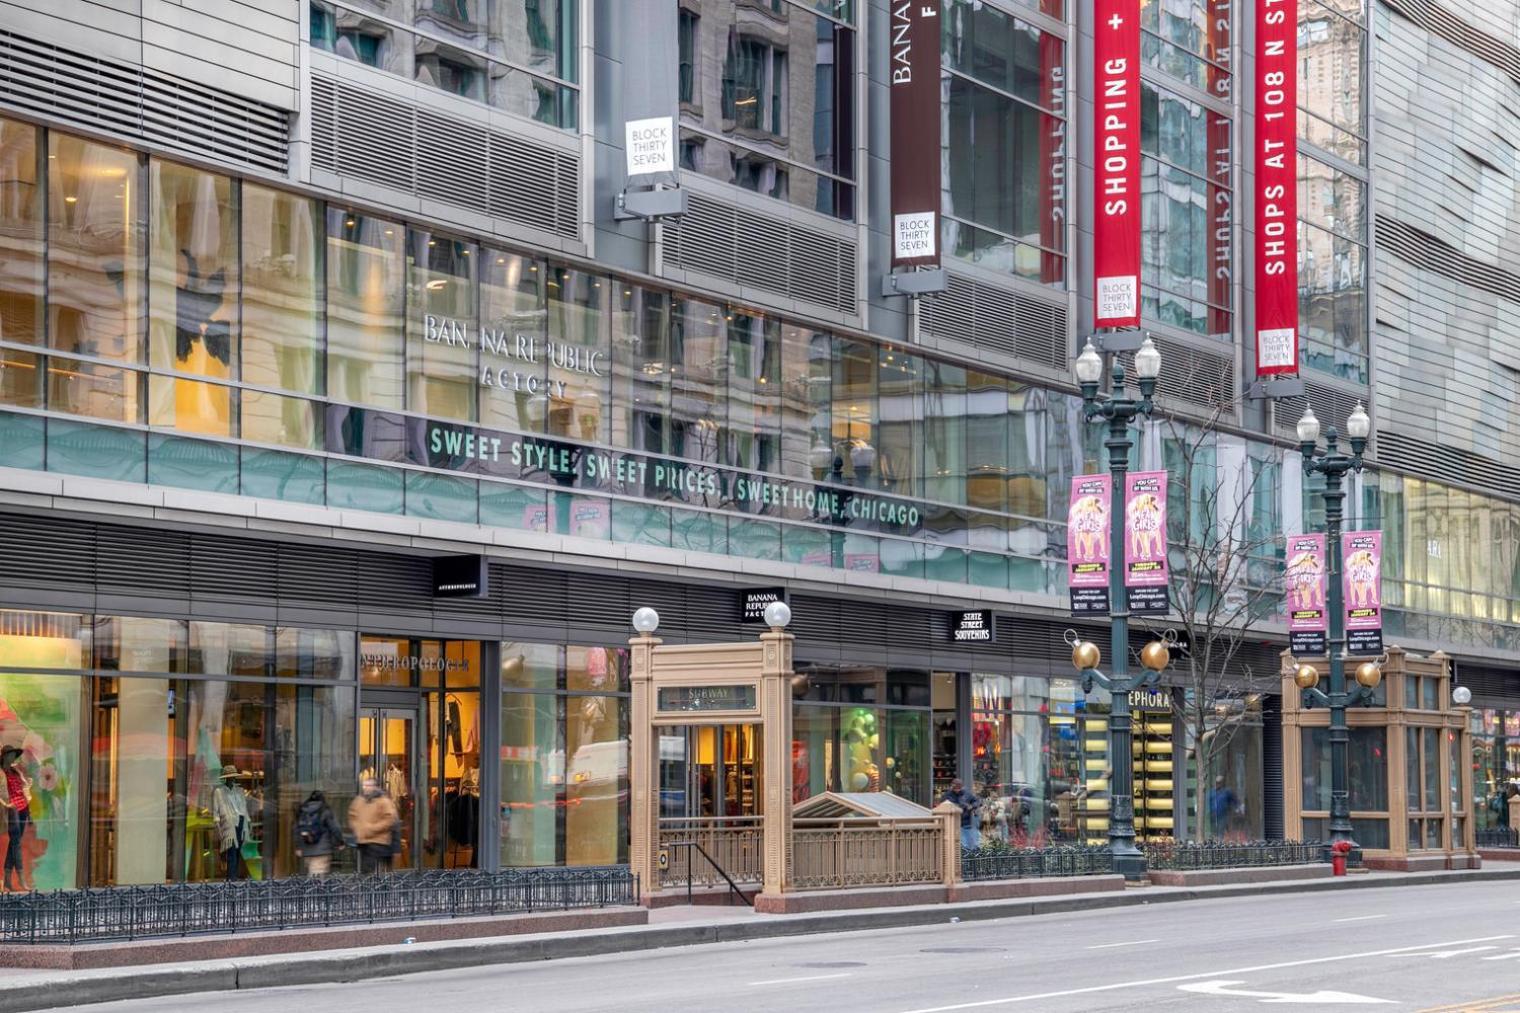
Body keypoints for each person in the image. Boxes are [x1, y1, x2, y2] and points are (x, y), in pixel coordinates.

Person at [349, 777, 400, 874]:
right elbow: (352, 815)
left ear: (375, 787)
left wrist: (371, 829)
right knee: (366, 870)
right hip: (363, 842)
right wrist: (358, 829)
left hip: (379, 842)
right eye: (364, 785)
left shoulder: (384, 801)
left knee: (372, 870)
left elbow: (390, 819)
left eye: (369, 785)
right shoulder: (359, 800)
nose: (365, 788)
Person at [211, 764, 252, 881]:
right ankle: (231, 877)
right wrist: (217, 822)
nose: (231, 779)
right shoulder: (219, 791)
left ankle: (234, 875)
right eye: (229, 777)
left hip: (241, 821)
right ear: (226, 778)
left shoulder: (239, 791)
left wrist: (248, 821)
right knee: (232, 850)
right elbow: (216, 809)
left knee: (238, 850)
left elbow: (244, 807)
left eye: (233, 777)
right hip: (228, 823)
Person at [0, 746, 32, 892]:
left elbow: (23, 788)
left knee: (14, 842)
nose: (12, 758)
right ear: (4, 757)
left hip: (23, 807)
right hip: (12, 809)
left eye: (14, 755)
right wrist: (6, 803)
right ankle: (21, 878)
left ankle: (7, 880)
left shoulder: (15, 771)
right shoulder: (2, 773)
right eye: (10, 755)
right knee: (16, 843)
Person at [294, 790, 346, 877]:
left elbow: (296, 830)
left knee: (312, 875)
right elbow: (335, 829)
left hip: (306, 850)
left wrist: (298, 847)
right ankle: (315, 890)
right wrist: (340, 843)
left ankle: (312, 889)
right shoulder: (325, 811)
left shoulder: (303, 811)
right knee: (317, 879)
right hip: (322, 850)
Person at [943, 778, 981, 851]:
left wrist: (972, 806)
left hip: (966, 821)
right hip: (954, 822)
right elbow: (944, 805)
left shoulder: (967, 793)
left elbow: (976, 801)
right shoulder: (948, 795)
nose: (957, 790)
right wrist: (959, 806)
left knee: (969, 842)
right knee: (961, 844)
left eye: (958, 788)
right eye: (955, 788)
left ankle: (970, 853)